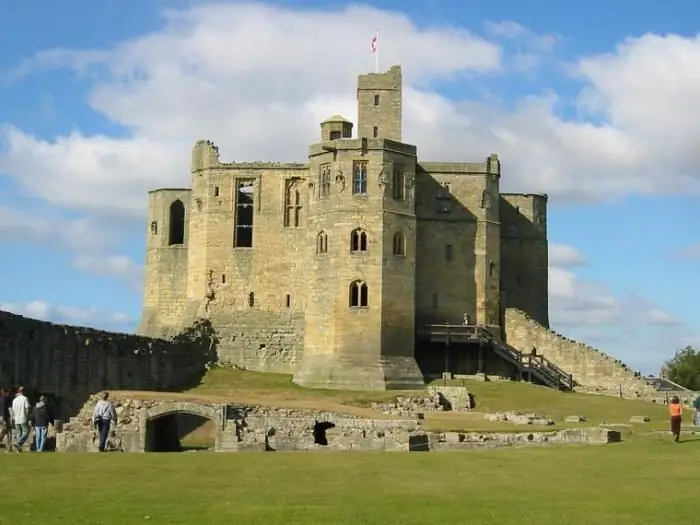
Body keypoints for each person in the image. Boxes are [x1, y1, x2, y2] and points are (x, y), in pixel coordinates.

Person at [11, 386, 31, 452]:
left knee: (19, 433)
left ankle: (18, 449)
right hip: (23, 418)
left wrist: (14, 417)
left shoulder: (14, 400)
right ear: (23, 391)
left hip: (17, 418)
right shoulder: (25, 398)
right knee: (26, 432)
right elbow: (27, 408)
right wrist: (27, 416)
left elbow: (13, 410)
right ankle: (18, 443)